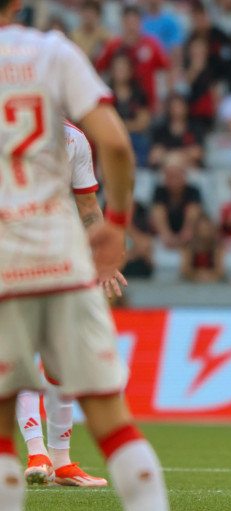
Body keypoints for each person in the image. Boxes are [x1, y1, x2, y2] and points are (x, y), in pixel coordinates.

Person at [0, 1, 171, 511]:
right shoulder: (53, 53)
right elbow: (117, 144)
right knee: (113, 420)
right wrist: (114, 229)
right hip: (60, 256)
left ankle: (45, 464)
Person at [16, 122, 128, 488]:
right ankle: (37, 453)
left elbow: (87, 204)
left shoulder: (74, 139)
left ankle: (61, 461)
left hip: (60, 257)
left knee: (59, 360)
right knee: (18, 354)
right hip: (11, 256)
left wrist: (104, 254)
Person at [95, 5, 171, 112]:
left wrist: (165, 99)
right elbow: (99, 69)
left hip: (148, 105)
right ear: (122, 22)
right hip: (118, 105)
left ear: (141, 22)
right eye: (128, 22)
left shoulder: (152, 45)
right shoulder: (113, 46)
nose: (131, 26)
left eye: (134, 22)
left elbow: (166, 69)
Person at [151, 152, 204, 248]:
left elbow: (194, 211)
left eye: (176, 175)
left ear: (183, 175)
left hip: (188, 229)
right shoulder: (160, 190)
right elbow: (157, 211)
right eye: (170, 175)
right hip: (166, 229)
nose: (173, 180)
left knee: (194, 212)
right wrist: (165, 234)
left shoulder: (193, 191)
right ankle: (166, 236)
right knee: (158, 211)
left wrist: (187, 231)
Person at [109, 52, 151, 167]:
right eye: (118, 67)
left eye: (124, 67)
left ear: (130, 70)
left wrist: (117, 124)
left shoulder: (139, 95)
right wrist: (130, 124)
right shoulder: (105, 94)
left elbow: (142, 124)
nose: (121, 70)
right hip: (112, 140)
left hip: (135, 140)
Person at [148, 93, 205, 169]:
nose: (177, 110)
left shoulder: (195, 128)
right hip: (167, 168)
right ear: (168, 109)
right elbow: (155, 155)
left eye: (180, 106)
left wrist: (174, 155)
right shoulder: (161, 130)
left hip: (190, 169)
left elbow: (198, 152)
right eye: (174, 107)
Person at [181, 214, 225, 283]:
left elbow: (220, 272)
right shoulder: (189, 247)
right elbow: (185, 271)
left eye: (206, 229)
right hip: (194, 281)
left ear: (211, 230)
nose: (204, 232)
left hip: (211, 281)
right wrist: (202, 275)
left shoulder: (217, 247)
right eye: (201, 229)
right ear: (196, 230)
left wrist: (202, 275)